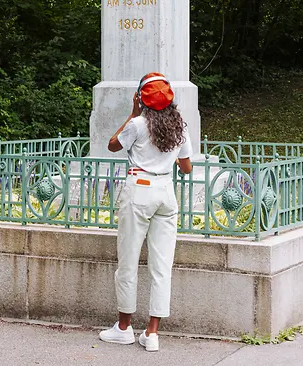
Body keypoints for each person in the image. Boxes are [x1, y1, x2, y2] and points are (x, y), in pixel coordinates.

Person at [99, 72, 193, 352]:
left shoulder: (138, 124)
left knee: (128, 261)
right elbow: (186, 167)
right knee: (162, 266)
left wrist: (132, 112)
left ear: (141, 98)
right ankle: (152, 333)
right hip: (166, 193)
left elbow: (113, 145)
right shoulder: (180, 127)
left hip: (139, 189)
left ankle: (124, 328)